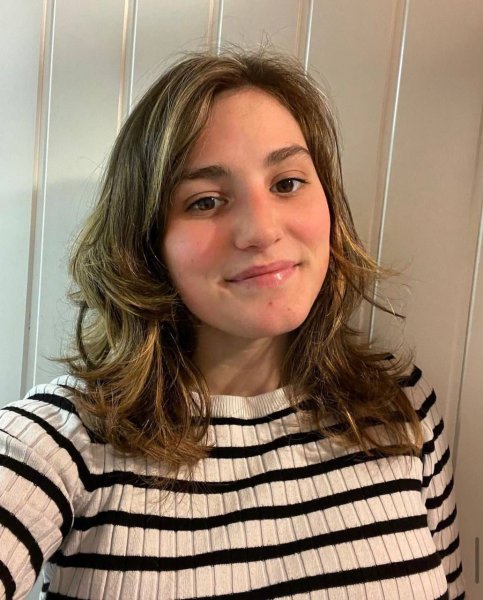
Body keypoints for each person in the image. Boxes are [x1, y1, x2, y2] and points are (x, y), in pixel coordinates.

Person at [0, 49, 464, 600]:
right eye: (206, 201)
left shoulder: (402, 406)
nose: (261, 231)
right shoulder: (66, 440)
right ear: (147, 243)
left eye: (287, 183)